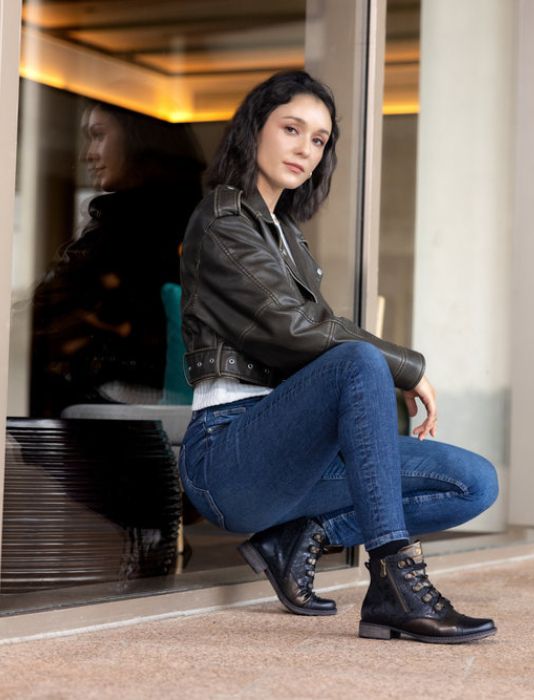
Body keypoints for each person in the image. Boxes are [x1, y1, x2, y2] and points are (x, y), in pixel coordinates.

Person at [179, 70, 499, 644]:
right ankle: (396, 584)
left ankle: (301, 536)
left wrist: (394, 367)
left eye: (319, 139)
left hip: (296, 460)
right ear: (256, 130)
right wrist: (409, 367)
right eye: (292, 129)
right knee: (358, 362)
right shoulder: (223, 219)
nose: (305, 148)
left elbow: (320, 335)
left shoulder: (288, 236)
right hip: (227, 457)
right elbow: (297, 330)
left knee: (475, 483)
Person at [30, 101, 205, 416]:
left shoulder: (133, 244)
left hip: (118, 430)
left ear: (138, 140)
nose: (88, 154)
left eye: (98, 135)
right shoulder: (178, 231)